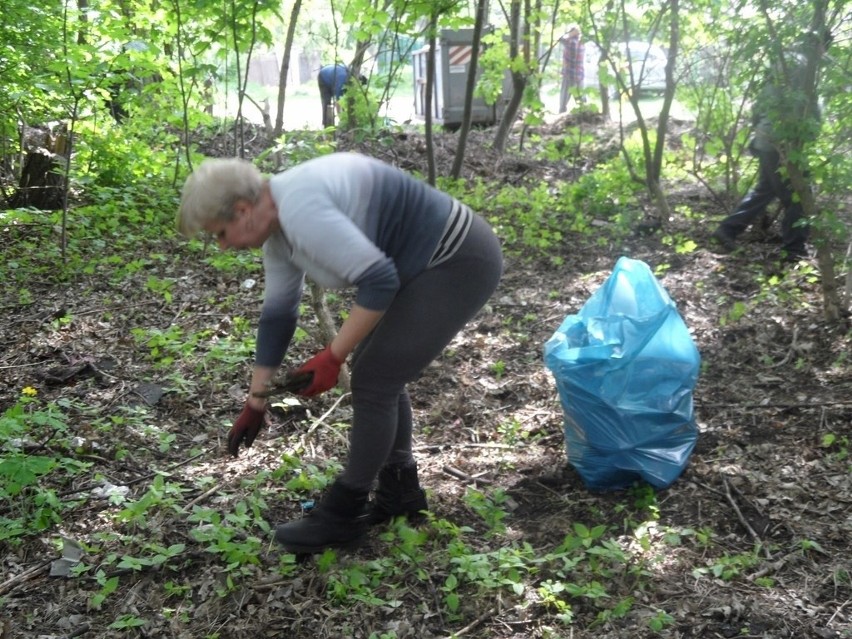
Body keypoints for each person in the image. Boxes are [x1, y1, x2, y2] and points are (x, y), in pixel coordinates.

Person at [177, 152, 503, 554]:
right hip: (419, 265)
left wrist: (333, 357)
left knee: (374, 379)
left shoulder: (299, 207)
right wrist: (256, 401)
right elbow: (278, 317)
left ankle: (343, 513)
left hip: (457, 258)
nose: (223, 247)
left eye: (220, 234)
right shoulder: (278, 231)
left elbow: (379, 281)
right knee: (378, 371)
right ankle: (400, 490)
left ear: (243, 211)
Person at [711, 52, 821, 262]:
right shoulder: (807, 67)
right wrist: (810, 133)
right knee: (800, 196)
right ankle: (794, 251)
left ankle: (727, 230)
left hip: (766, 138)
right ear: (821, 47)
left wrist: (759, 129)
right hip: (783, 143)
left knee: (765, 190)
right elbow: (810, 106)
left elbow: (760, 102)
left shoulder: (782, 61)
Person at [559, 26, 585, 113]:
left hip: (570, 73)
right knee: (579, 93)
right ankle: (584, 110)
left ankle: (562, 110)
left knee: (565, 93)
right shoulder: (580, 42)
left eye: (570, 31)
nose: (569, 33)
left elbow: (561, 40)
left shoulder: (572, 42)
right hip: (579, 73)